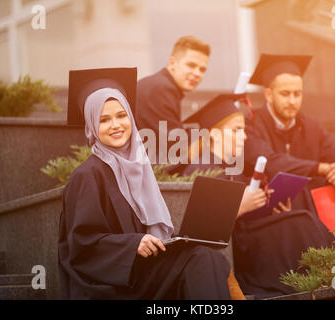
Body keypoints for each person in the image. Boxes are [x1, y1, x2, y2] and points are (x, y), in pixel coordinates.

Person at [58, 67, 232, 300]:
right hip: (113, 280)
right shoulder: (88, 175)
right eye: (104, 120)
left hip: (142, 270)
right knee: (200, 260)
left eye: (122, 115)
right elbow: (82, 245)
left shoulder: (139, 166)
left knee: (208, 257)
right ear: (92, 126)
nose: (116, 125)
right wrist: (132, 245)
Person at [180, 94, 335, 299]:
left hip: (250, 239)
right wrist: (241, 207)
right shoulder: (201, 168)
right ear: (215, 135)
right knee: (301, 223)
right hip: (236, 252)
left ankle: (332, 278)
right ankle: (329, 280)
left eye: (244, 130)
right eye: (236, 130)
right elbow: (200, 230)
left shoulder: (233, 169)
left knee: (300, 218)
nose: (244, 137)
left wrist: (272, 210)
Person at [244, 54, 335, 240]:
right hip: (266, 215)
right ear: (269, 94)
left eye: (297, 94)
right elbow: (271, 162)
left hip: (310, 212)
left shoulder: (310, 126)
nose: (292, 101)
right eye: (285, 94)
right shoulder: (251, 123)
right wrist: (322, 168)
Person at [135, 35, 210, 163]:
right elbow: (175, 146)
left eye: (202, 69)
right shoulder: (162, 89)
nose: (197, 73)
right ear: (172, 63)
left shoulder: (160, 85)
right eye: (191, 65)